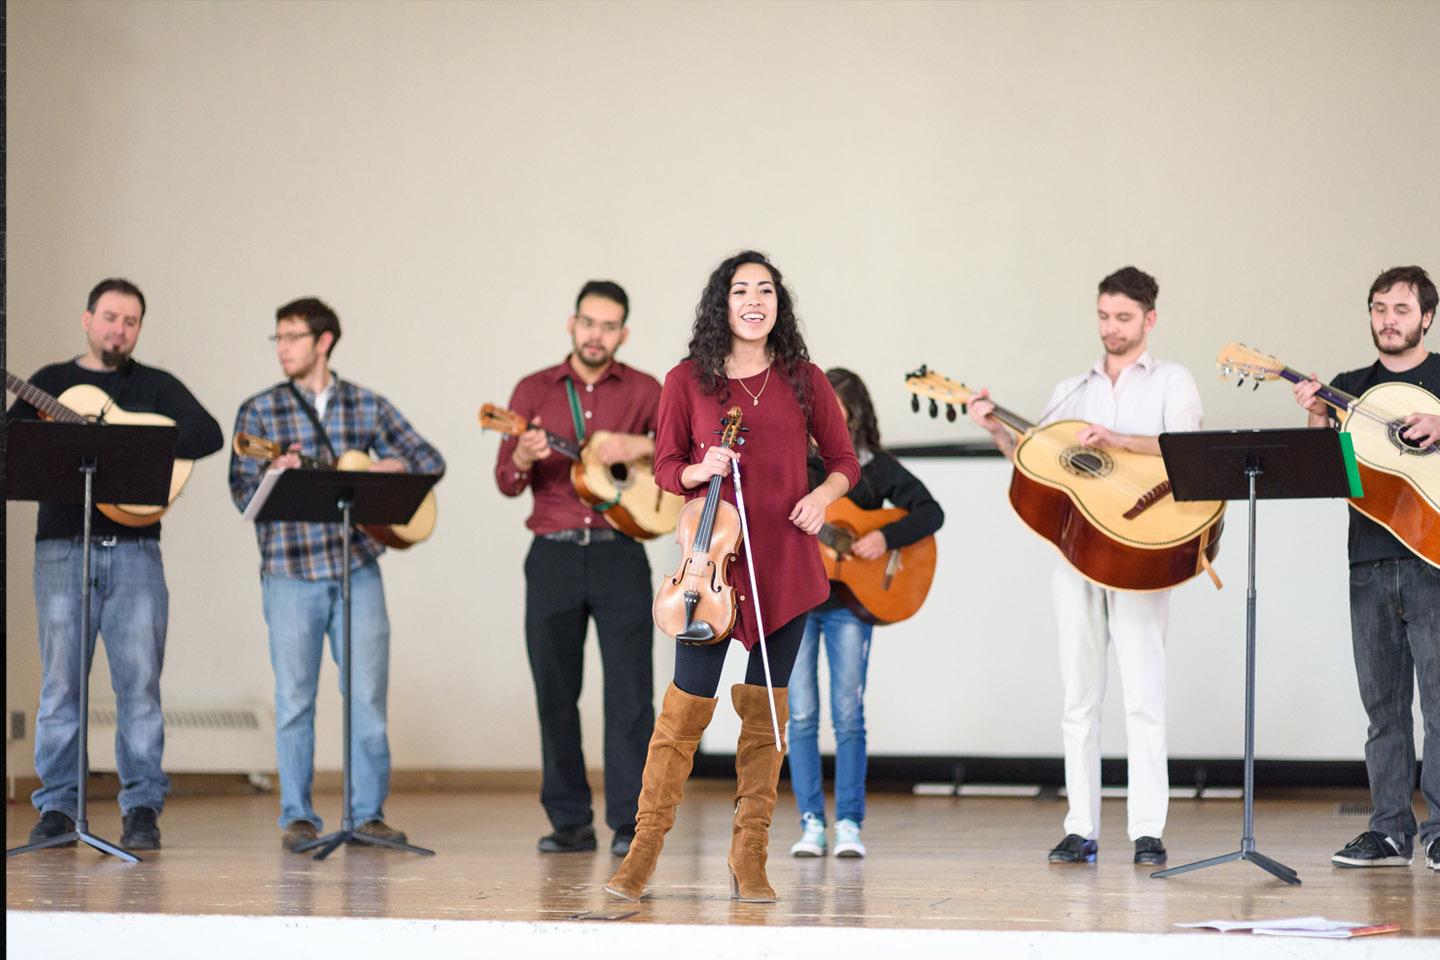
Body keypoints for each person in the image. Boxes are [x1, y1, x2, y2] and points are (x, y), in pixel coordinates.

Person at [606, 250, 859, 903]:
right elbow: (666, 467)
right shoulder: (686, 380)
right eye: (741, 289)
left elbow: (844, 460)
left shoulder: (805, 379)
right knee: (681, 716)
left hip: (784, 563)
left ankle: (750, 857)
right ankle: (641, 855)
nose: (754, 300)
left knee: (764, 720)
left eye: (765, 290)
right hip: (708, 571)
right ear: (722, 303)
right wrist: (698, 469)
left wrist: (822, 496)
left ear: (779, 303)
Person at [968, 266, 1202, 867]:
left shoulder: (1173, 381)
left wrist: (1122, 440)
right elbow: (1037, 459)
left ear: (1150, 319)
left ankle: (1148, 829)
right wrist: (997, 428)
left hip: (1142, 552)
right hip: (1076, 557)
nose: (1111, 329)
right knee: (1079, 696)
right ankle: (1081, 827)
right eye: (1103, 316)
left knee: (1144, 695)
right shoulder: (1073, 389)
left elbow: (1190, 453)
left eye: (1123, 318)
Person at [9, 278, 223, 851]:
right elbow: (11, 449)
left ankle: (142, 810)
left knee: (140, 688)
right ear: (86, 319)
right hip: (60, 549)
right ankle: (56, 809)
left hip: (136, 554)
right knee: (60, 687)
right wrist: (41, 435)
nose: (118, 329)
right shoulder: (49, 383)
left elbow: (208, 433)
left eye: (130, 321)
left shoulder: (153, 385)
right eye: (109, 317)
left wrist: (132, 442)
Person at [228, 296, 445, 852]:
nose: (282, 348)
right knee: (296, 698)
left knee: (367, 697)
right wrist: (277, 476)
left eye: (293, 337)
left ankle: (367, 814)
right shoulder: (260, 413)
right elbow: (242, 494)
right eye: (277, 338)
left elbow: (428, 460)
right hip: (290, 573)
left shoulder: (365, 405)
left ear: (323, 341)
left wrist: (384, 468)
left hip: (357, 569)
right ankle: (298, 817)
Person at [493, 280, 662, 858]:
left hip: (621, 552)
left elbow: (676, 457)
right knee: (555, 693)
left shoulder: (645, 389)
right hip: (554, 556)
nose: (596, 334)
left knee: (631, 696)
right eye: (588, 323)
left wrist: (631, 447)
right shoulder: (532, 390)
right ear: (572, 323)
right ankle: (569, 822)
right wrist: (520, 456)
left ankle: (629, 824)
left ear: (624, 333)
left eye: (609, 326)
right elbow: (506, 481)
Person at [1292, 265, 1439, 872]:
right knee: (1383, 708)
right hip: (1370, 560)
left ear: (1426, 317)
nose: (1388, 319)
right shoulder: (1350, 389)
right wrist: (1313, 418)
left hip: (1434, 558)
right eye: (1378, 308)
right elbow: (1326, 477)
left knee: (1439, 705)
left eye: (1401, 309)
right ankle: (1388, 832)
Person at [788, 368, 944, 860]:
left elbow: (931, 512)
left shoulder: (874, 467)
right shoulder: (793, 464)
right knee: (801, 714)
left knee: (849, 714)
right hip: (796, 603)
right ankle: (811, 822)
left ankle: (850, 823)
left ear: (855, 416)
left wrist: (885, 537)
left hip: (849, 609)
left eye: (839, 411)